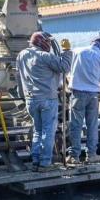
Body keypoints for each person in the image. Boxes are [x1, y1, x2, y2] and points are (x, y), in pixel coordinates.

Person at [16, 32, 73, 172]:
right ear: (43, 43)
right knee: (48, 131)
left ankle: (36, 160)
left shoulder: (22, 55)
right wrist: (67, 52)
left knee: (37, 130)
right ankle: (45, 162)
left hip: (30, 99)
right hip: (47, 99)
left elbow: (18, 76)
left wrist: (21, 95)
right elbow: (64, 67)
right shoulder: (45, 56)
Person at [66, 37, 100, 164]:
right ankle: (91, 155)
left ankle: (74, 156)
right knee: (92, 125)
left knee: (76, 125)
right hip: (93, 94)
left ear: (91, 43)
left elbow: (67, 68)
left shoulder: (77, 51)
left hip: (77, 93)